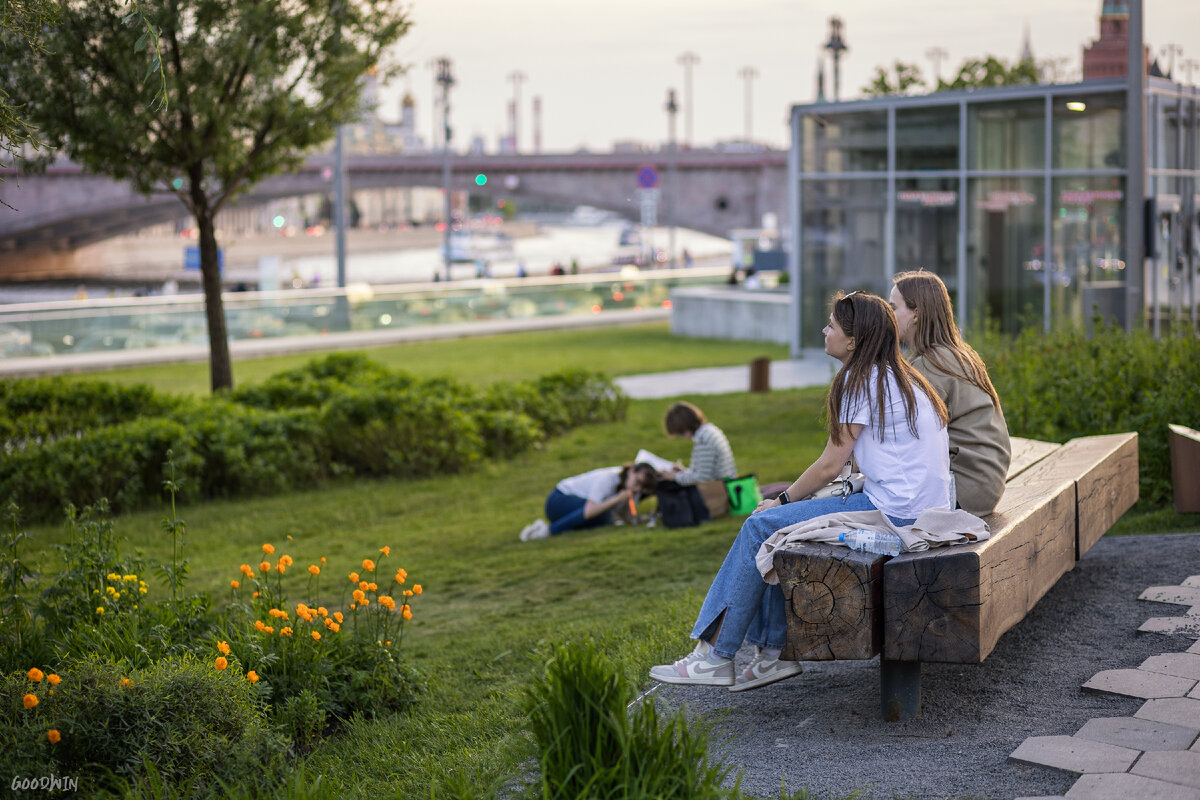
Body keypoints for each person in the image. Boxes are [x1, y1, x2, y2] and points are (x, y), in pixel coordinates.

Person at [649, 291, 951, 692]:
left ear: (853, 342)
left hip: (895, 517)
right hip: (922, 513)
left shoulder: (859, 380)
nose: (824, 330)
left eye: (832, 326)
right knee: (782, 529)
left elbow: (830, 464)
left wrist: (784, 498)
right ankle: (772, 657)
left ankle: (714, 658)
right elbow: (861, 462)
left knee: (761, 525)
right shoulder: (900, 377)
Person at [890, 270, 1011, 516]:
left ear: (916, 314)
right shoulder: (953, 354)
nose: (889, 316)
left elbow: (902, 438)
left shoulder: (930, 365)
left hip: (966, 490)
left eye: (893, 308)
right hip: (984, 484)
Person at [520, 463, 659, 541]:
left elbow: (628, 516)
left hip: (576, 505)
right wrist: (616, 500)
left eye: (642, 487)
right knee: (603, 515)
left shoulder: (632, 489)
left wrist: (642, 516)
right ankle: (548, 531)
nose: (637, 488)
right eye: (637, 482)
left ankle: (554, 528)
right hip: (558, 501)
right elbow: (590, 511)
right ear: (630, 471)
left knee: (607, 519)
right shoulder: (609, 478)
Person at [658, 401, 737, 485]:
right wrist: (684, 472)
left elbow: (702, 479)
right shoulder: (710, 430)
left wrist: (675, 477)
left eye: (679, 433)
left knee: (666, 485)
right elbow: (705, 471)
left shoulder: (703, 440)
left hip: (720, 490)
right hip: (724, 484)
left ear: (685, 428)